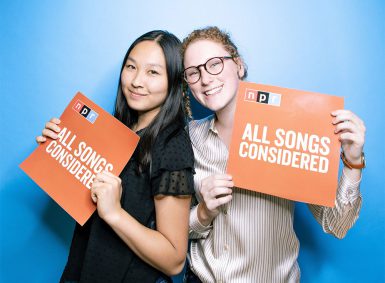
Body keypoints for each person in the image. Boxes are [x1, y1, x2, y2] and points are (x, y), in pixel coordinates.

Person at [181, 26, 366, 283]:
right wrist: (203, 212)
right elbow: (173, 231)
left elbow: (337, 224)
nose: (205, 78)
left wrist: (353, 162)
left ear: (239, 65)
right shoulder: (188, 139)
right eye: (193, 72)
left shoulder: (287, 130)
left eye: (214, 64)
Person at [36, 30, 195, 283]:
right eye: (131, 67)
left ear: (174, 80)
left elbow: (174, 259)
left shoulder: (173, 146)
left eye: (153, 72)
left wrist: (115, 214)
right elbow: (82, 200)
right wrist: (57, 147)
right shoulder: (114, 131)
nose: (136, 81)